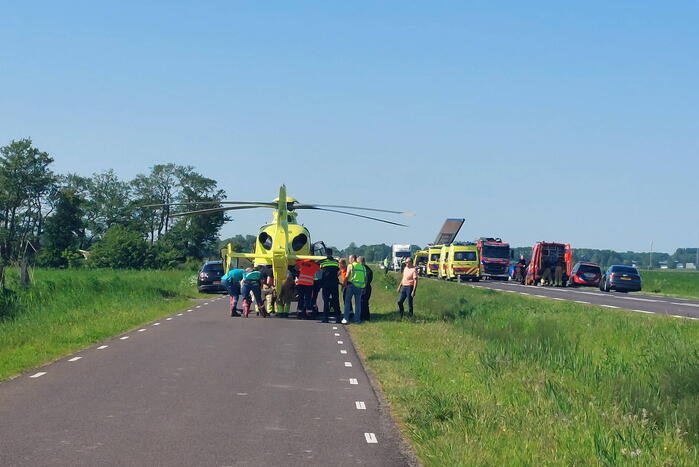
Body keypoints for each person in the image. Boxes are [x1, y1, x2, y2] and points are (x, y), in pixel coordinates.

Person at [343, 255, 366, 324]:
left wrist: (344, 284)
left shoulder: (351, 266)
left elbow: (347, 276)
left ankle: (346, 319)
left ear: (353, 259)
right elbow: (365, 278)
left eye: (349, 259)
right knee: (358, 304)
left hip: (351, 285)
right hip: (360, 287)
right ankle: (357, 320)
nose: (349, 260)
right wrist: (364, 287)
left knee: (347, 302)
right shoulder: (362, 267)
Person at [320, 249, 341, 323]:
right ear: (332, 253)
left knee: (326, 301)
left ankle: (325, 318)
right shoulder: (336, 262)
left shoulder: (323, 262)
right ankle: (338, 318)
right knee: (336, 301)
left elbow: (320, 271)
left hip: (326, 284)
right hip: (334, 283)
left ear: (326, 253)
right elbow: (339, 271)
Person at [359, 256, 373, 321]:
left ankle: (365, 317)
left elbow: (367, 280)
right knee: (364, 302)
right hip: (367, 287)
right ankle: (365, 316)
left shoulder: (365, 270)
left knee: (363, 302)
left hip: (365, 288)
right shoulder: (368, 269)